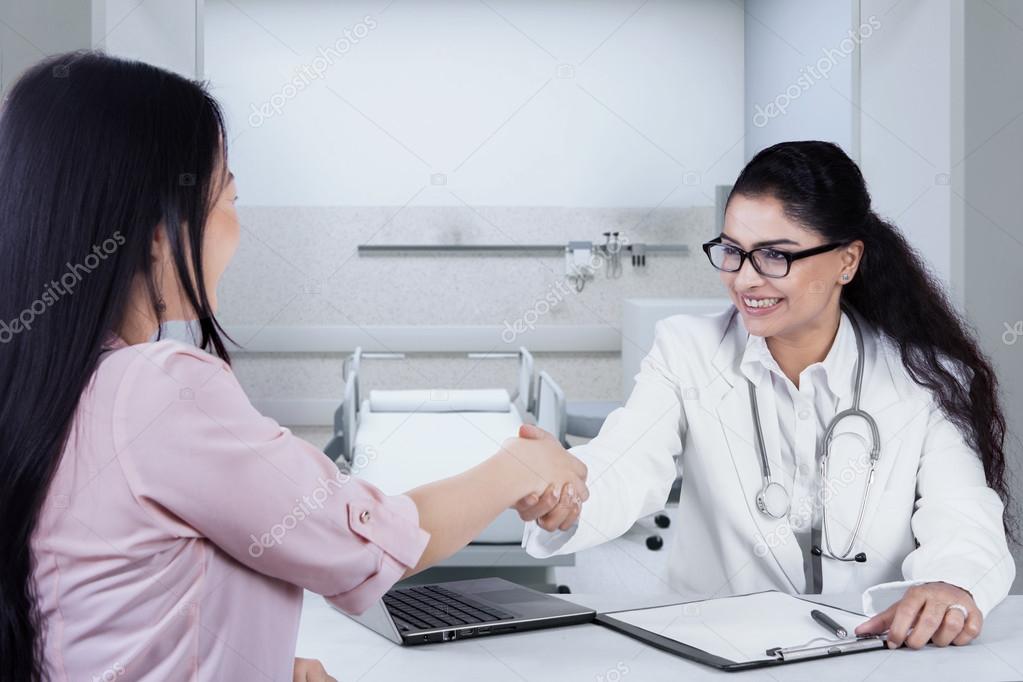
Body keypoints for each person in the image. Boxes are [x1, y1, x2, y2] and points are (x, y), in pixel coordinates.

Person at [0, 52, 586, 682]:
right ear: (156, 229)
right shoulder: (155, 390)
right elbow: (357, 541)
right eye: (230, 194)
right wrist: (519, 467)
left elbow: (117, 614)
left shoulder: (46, 390)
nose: (236, 223)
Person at [517, 140, 1015, 650]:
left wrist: (949, 582)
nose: (745, 278)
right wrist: (569, 495)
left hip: (871, 651)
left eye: (775, 255)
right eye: (732, 251)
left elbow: (963, 512)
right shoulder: (687, 350)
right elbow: (626, 461)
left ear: (847, 260)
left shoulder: (923, 378)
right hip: (718, 648)